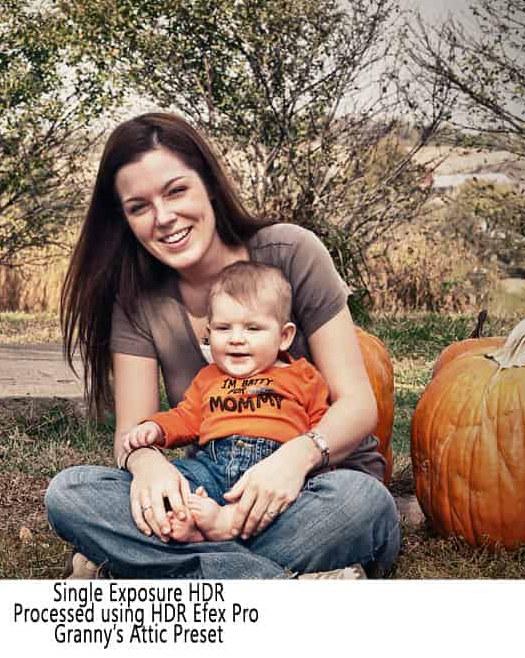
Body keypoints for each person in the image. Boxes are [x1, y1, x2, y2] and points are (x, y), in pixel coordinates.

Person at [45, 112, 400, 579]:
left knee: (363, 503)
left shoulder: (291, 254)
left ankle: (150, 569)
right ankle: (280, 584)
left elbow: (357, 405)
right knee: (70, 492)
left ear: (208, 184)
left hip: (315, 487)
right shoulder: (135, 299)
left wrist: (296, 460)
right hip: (211, 496)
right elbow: (134, 433)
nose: (164, 218)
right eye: (139, 207)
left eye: (176, 191)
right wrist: (148, 465)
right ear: (126, 220)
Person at [121, 261, 330, 543]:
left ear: (284, 336)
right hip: (211, 470)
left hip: (275, 478)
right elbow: (186, 417)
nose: (236, 340)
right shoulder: (208, 378)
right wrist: (156, 428)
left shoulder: (303, 376)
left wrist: (319, 472)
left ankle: (213, 533)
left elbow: (322, 425)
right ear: (209, 332)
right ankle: (208, 530)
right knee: (84, 488)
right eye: (223, 328)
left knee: (352, 496)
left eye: (252, 328)